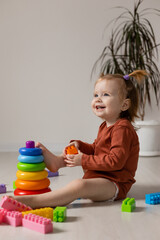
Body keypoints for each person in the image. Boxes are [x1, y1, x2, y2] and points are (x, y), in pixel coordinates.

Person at [10, 70, 147, 208]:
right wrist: (79, 146)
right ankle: (58, 161)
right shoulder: (105, 126)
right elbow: (96, 150)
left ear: (124, 105)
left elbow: (115, 161)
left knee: (78, 186)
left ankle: (33, 202)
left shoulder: (122, 129)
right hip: (100, 175)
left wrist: (83, 160)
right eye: (96, 95)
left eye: (106, 95)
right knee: (77, 161)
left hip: (115, 183)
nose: (98, 99)